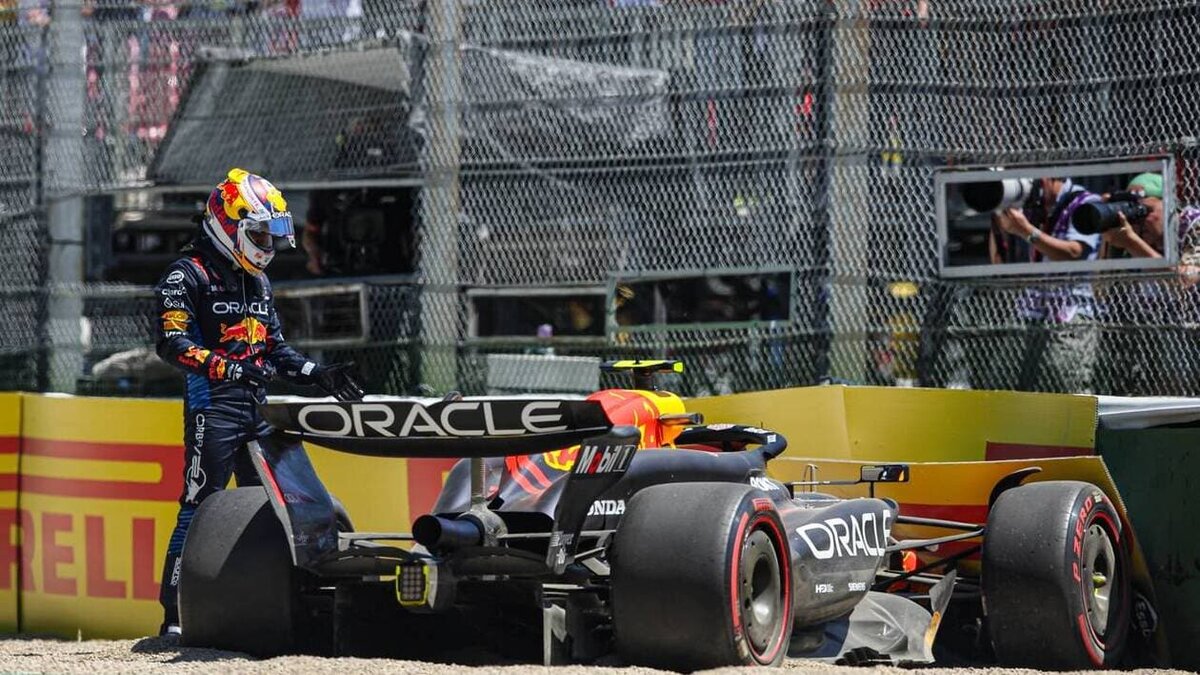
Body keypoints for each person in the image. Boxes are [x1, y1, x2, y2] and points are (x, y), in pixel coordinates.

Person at [153, 168, 364, 637]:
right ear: (228, 224)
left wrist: (317, 374)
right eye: (260, 234)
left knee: (277, 507)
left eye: (273, 235)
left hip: (259, 409)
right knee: (199, 504)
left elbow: (275, 350)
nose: (268, 245)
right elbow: (172, 344)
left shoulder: (259, 283)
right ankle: (174, 616)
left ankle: (279, 607)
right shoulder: (186, 274)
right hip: (213, 408)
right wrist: (231, 369)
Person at [994, 177, 1102, 392]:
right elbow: (1000, 259)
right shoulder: (1030, 206)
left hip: (1068, 314)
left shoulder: (1085, 201)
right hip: (1029, 311)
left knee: (1061, 388)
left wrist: (1026, 231)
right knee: (1006, 385)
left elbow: (1075, 252)